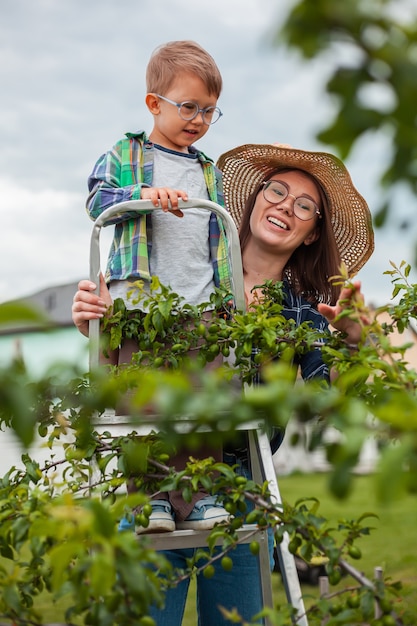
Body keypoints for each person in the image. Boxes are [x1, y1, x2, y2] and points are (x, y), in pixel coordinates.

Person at [72, 142, 374, 625]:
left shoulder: (302, 311)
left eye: (303, 205)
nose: (284, 206)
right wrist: (95, 322)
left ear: (313, 232)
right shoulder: (185, 280)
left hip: (240, 501)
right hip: (153, 495)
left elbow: (324, 400)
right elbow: (119, 372)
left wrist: (355, 342)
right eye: (276, 190)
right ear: (253, 200)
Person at [78, 39, 233, 535]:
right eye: (188, 107)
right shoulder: (126, 153)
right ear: (154, 103)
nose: (198, 120)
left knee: (201, 399)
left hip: (201, 303)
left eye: (209, 111)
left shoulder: (208, 169)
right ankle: (151, 500)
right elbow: (97, 199)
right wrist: (141, 194)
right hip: (141, 305)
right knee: (142, 405)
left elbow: (221, 240)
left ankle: (200, 493)